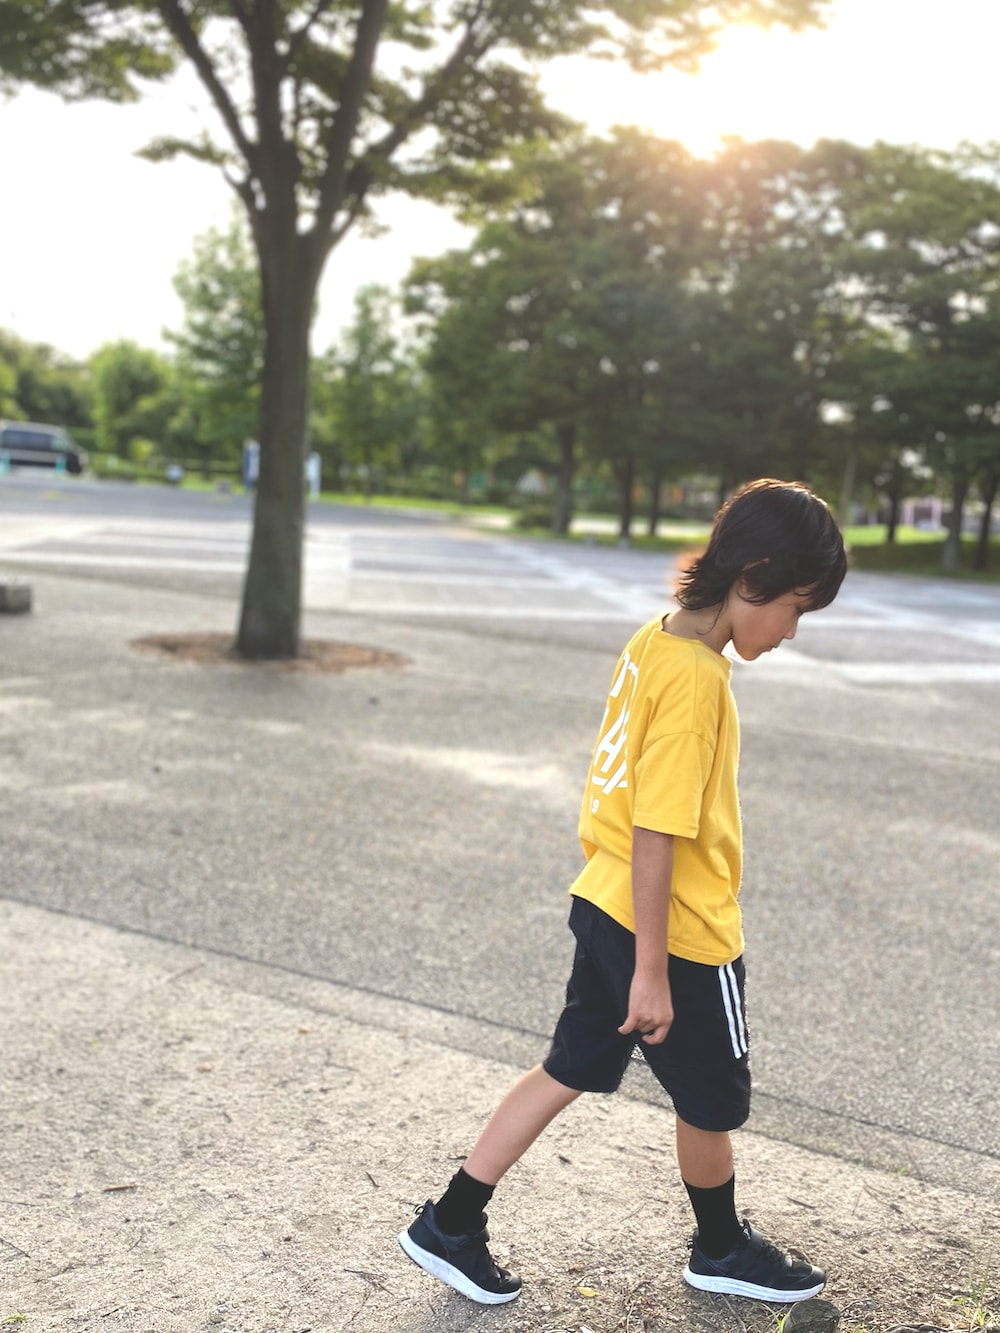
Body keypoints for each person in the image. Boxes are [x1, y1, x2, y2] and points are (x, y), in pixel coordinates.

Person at [398, 478, 848, 1307]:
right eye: (794, 605)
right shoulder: (698, 682)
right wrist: (652, 969)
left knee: (568, 1065)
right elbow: (659, 830)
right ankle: (720, 1247)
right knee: (712, 1098)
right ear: (753, 573)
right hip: (673, 931)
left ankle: (450, 1221)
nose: (790, 630)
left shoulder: (657, 638)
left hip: (604, 899)